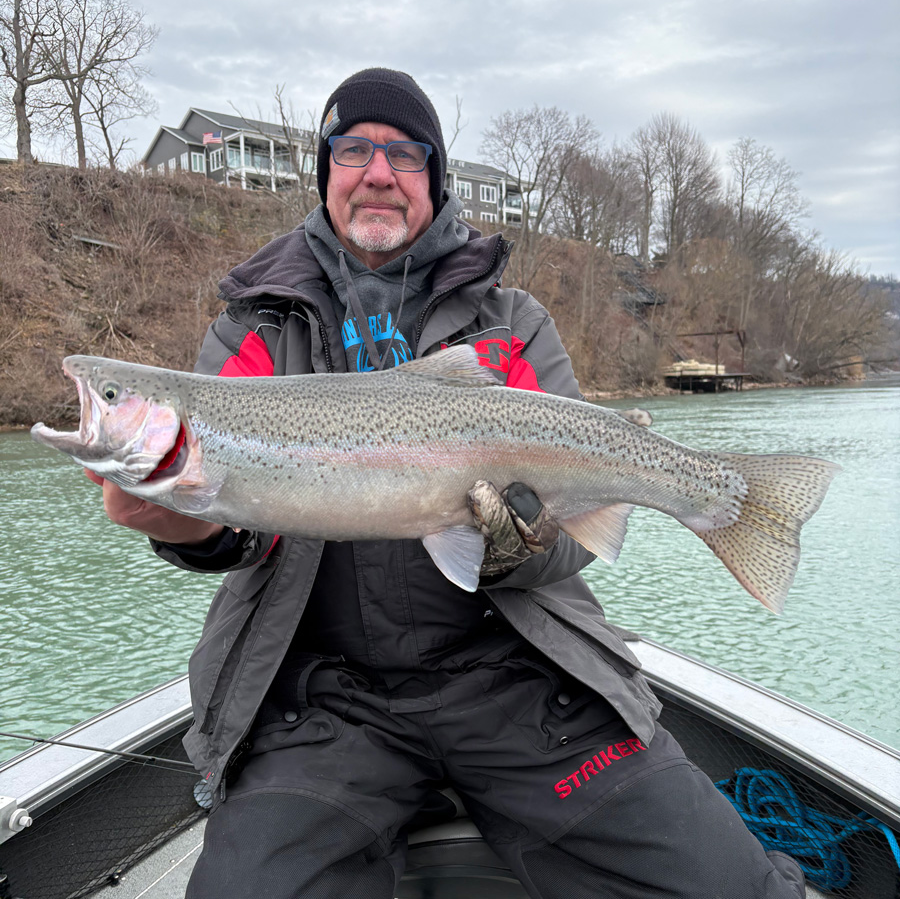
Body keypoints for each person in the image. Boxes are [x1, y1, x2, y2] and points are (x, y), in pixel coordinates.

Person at [90, 68, 807, 898]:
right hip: (321, 704)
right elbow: (248, 534)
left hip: (522, 678)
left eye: (405, 154)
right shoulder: (253, 329)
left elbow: (571, 550)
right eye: (352, 150)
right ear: (325, 172)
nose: (378, 172)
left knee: (729, 885)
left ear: (435, 178)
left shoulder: (515, 324)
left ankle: (726, 500)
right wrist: (187, 526)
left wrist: (519, 545)